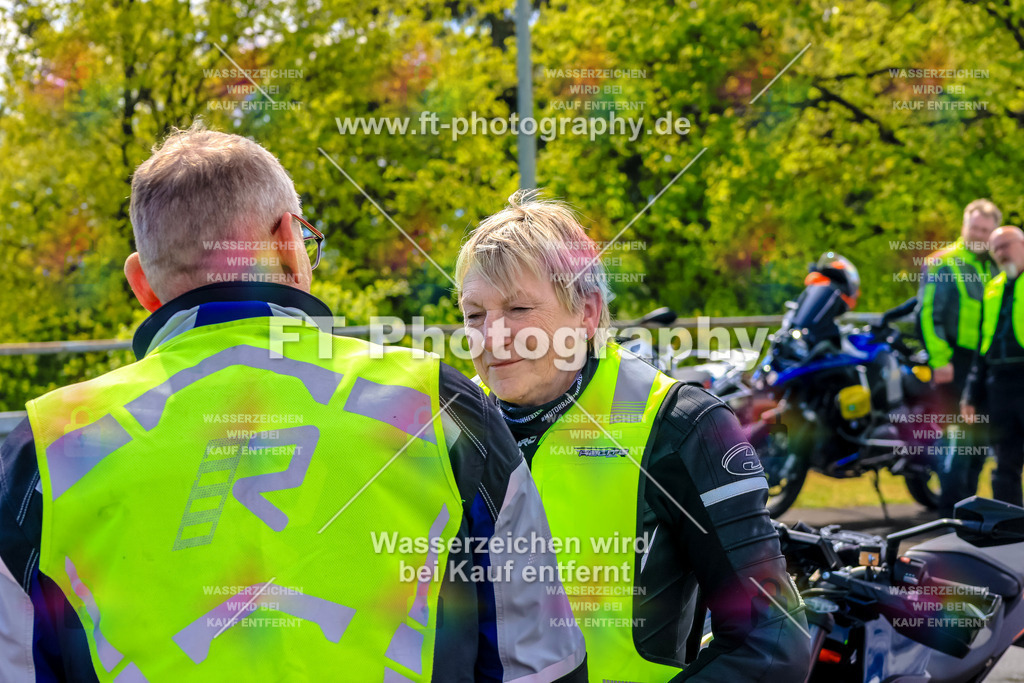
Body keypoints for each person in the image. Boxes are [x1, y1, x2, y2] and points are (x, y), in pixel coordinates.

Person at [0, 124, 587, 682]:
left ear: (142, 284)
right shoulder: (437, 403)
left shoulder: (38, 452)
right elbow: (540, 662)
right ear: (288, 242)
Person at [454, 191, 812, 682]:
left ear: (585, 312)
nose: (491, 335)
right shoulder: (444, 426)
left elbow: (772, 643)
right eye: (474, 315)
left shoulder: (683, 425)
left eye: (518, 308)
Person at [918, 199, 1001, 517]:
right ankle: (948, 514)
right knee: (956, 442)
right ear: (964, 226)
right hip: (954, 364)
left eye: (984, 229)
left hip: (984, 366)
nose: (978, 234)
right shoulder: (943, 262)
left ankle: (967, 512)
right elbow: (928, 314)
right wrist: (940, 360)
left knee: (979, 442)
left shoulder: (995, 263)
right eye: (973, 227)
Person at [962, 226, 1024, 508]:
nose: (1001, 253)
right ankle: (1012, 536)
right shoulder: (993, 288)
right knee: (1003, 466)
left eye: (1006, 245)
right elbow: (983, 346)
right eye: (995, 248)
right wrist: (971, 394)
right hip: (1000, 387)